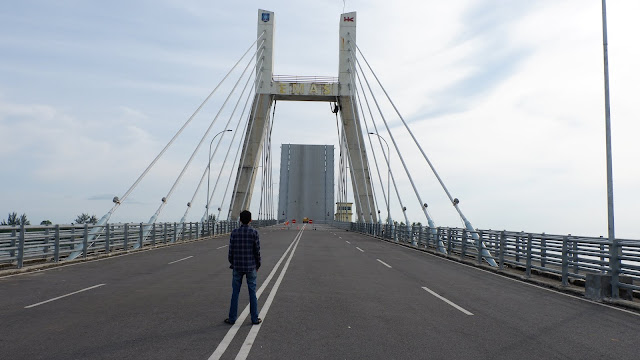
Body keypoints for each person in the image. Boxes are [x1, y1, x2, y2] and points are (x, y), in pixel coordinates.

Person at [225, 210, 262, 325]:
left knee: (235, 292)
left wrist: (233, 262)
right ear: (250, 220)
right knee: (252, 292)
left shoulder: (234, 233)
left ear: (240, 220)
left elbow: (230, 251)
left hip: (237, 266)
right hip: (251, 266)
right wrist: (258, 264)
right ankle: (254, 318)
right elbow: (257, 251)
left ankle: (232, 318)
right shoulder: (254, 233)